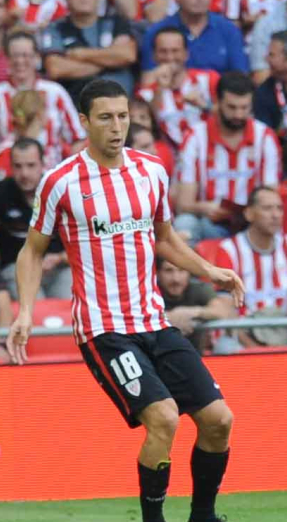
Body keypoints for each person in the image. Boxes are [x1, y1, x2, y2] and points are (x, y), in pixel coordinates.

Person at [5, 78, 245, 522]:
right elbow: (32, 250)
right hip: (104, 328)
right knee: (165, 419)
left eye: (123, 116)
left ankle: (203, 516)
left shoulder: (151, 170)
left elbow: (165, 238)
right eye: (105, 118)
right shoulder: (60, 182)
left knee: (219, 420)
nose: (117, 127)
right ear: (84, 122)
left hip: (154, 320)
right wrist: (24, 311)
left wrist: (208, 270)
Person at [212, 186, 287, 352]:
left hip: (285, 329)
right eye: (267, 208)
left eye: (279, 208)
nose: (275, 215)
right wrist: (254, 349)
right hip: (244, 333)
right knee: (225, 349)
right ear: (249, 214)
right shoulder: (229, 249)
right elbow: (226, 306)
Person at [175, 72, 282, 242]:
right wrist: (206, 208)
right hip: (208, 222)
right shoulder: (195, 137)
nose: (239, 115)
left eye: (245, 108)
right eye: (232, 107)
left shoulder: (265, 137)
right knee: (184, 224)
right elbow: (183, 203)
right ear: (217, 102)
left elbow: (272, 193)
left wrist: (250, 213)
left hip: (251, 223)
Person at [41, 0, 137, 98]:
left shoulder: (116, 22)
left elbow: (127, 55)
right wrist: (110, 61)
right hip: (78, 108)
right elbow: (56, 68)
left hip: (121, 107)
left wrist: (81, 54)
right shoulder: (55, 28)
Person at [140, 0, 250, 77]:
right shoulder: (157, 32)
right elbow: (148, 80)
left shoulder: (229, 30)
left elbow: (240, 77)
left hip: (218, 92)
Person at [0, 139, 72, 299]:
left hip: (59, 268)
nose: (24, 173)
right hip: (16, 269)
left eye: (31, 165)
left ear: (42, 164)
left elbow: (84, 243)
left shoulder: (60, 191)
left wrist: (59, 258)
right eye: (18, 166)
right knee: (32, 305)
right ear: (11, 167)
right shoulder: (3, 194)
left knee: (69, 302)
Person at [0, 31, 85, 159]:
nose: (20, 61)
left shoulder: (55, 92)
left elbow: (78, 139)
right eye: (14, 55)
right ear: (7, 59)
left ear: (36, 57)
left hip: (53, 170)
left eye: (25, 55)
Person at [135, 26, 219, 149]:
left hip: (207, 152)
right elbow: (146, 130)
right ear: (154, 55)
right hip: (167, 159)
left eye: (175, 51)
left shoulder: (209, 80)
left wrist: (204, 105)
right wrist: (159, 89)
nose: (169, 57)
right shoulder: (144, 93)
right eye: (163, 51)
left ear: (186, 54)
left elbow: (234, 116)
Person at [158, 258, 236, 353]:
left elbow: (222, 311)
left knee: (226, 347)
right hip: (157, 354)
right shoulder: (149, 292)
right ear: (157, 273)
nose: (176, 279)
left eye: (181, 270)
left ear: (189, 272)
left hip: (196, 354)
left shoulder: (198, 289)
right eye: (168, 271)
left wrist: (190, 312)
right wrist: (167, 318)